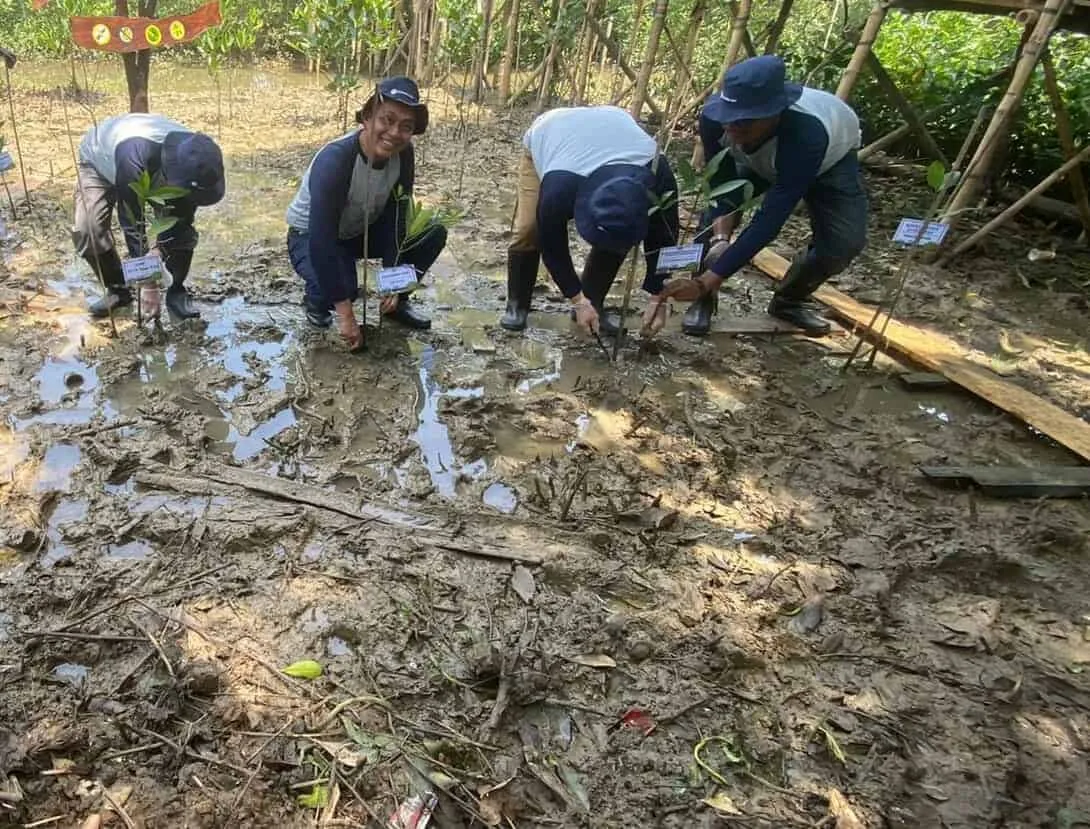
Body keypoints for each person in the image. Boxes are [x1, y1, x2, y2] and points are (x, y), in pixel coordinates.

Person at [661, 55, 867, 336]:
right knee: (711, 222)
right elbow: (722, 185)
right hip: (758, 160)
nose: (732, 132)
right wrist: (721, 241)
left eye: (743, 125)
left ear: (775, 114)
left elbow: (770, 218)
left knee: (843, 244)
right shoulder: (713, 119)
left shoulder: (806, 135)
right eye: (728, 122)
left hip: (827, 165)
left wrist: (710, 279)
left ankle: (790, 300)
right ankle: (703, 300)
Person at [286, 76, 447, 349]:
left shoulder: (404, 154)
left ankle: (395, 306)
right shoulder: (336, 160)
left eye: (406, 127)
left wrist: (394, 282)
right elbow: (321, 239)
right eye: (387, 120)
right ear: (367, 118)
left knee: (432, 232)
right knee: (345, 290)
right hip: (311, 236)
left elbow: (398, 214)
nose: (395, 133)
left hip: (360, 229)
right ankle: (316, 298)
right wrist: (346, 314)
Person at [500, 105, 679, 336]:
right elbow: (552, 245)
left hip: (612, 126)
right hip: (551, 132)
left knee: (618, 229)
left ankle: (594, 302)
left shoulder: (657, 175)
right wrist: (576, 299)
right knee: (529, 229)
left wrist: (660, 295)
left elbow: (666, 236)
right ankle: (517, 303)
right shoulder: (559, 188)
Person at [73, 113, 225, 319]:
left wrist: (158, 249)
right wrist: (148, 284)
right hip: (100, 159)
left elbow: (179, 220)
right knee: (88, 229)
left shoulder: (197, 155)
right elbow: (132, 222)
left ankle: (177, 291)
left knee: (181, 232)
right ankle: (117, 289)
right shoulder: (133, 156)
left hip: (157, 168)